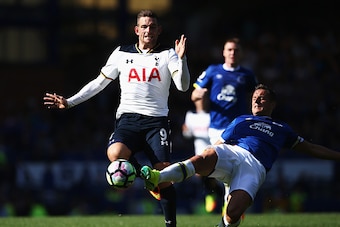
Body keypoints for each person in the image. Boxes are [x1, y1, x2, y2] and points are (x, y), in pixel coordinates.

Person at [43, 9, 190, 227]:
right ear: (136, 29)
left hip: (156, 121)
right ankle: (145, 174)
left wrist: (182, 58)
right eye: (144, 26)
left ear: (159, 30)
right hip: (128, 119)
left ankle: (171, 224)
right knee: (115, 153)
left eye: (152, 26)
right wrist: (70, 101)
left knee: (165, 176)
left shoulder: (168, 54)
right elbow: (99, 82)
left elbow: (183, 86)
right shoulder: (122, 53)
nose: (148, 30)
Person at [140, 84, 340, 226]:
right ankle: (158, 178)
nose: (257, 100)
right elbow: (218, 144)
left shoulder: (283, 129)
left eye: (262, 97)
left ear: (272, 103)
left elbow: (312, 148)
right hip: (234, 153)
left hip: (255, 167)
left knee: (233, 214)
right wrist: (208, 157)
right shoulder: (241, 120)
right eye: (254, 98)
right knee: (204, 156)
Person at [191, 37, 258, 213]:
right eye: (229, 50)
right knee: (212, 164)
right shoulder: (213, 71)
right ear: (223, 52)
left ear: (240, 53)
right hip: (218, 128)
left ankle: (229, 206)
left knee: (234, 169)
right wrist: (199, 95)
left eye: (236, 50)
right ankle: (211, 193)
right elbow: (195, 94)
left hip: (239, 129)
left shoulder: (246, 75)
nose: (232, 53)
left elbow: (256, 96)